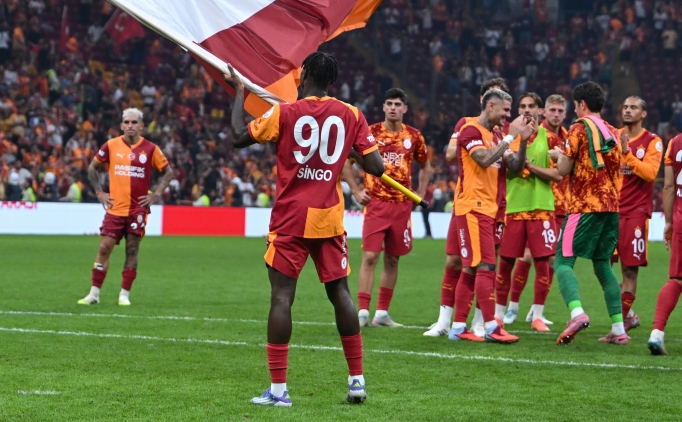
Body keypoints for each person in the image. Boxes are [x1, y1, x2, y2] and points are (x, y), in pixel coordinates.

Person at [224, 52, 384, 407]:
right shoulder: (352, 114)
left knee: (282, 297)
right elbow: (377, 167)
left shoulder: (284, 113)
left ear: (306, 74)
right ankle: (357, 381)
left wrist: (239, 93)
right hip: (328, 218)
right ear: (332, 81)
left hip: (291, 218)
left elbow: (237, 136)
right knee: (340, 294)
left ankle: (279, 391)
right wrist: (349, 149)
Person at [424, 78, 510, 337]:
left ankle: (476, 323)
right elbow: (451, 153)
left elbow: (514, 165)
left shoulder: (501, 131)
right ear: (486, 101)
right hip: (470, 201)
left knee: (486, 263)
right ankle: (446, 322)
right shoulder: (467, 124)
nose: (506, 113)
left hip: (496, 204)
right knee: (458, 261)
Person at [447, 88, 534, 343]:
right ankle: (491, 327)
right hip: (473, 208)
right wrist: (510, 136)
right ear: (490, 106)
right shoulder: (470, 131)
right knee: (486, 266)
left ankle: (458, 327)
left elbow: (515, 167)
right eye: (505, 110)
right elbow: (484, 159)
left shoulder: (496, 135)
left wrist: (523, 141)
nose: (508, 115)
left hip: (489, 210)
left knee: (472, 269)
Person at [343, 88, 431, 328]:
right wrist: (355, 190)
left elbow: (425, 166)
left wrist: (420, 194)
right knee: (370, 256)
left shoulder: (414, 136)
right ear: (383, 107)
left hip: (402, 206)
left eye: (397, 104)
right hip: (376, 204)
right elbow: (347, 161)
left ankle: (381, 313)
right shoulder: (369, 133)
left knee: (393, 259)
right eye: (389, 103)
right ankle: (363, 312)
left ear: (405, 109)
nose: (393, 108)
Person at [549, 81, 627, 346]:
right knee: (602, 264)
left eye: (574, 105)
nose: (574, 110)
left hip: (584, 206)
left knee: (562, 261)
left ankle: (577, 313)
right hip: (611, 207)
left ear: (582, 104)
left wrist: (557, 155)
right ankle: (619, 329)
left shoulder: (578, 128)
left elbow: (563, 169)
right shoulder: (614, 131)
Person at [77, 108, 173, 306]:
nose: (130, 126)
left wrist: (156, 194)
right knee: (104, 247)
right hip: (115, 208)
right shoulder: (111, 145)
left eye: (134, 122)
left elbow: (168, 172)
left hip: (137, 210)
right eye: (127, 122)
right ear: (121, 125)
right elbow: (92, 168)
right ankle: (94, 294)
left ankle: (124, 295)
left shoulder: (151, 149)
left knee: (132, 250)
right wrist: (99, 193)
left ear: (141, 126)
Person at [495, 93, 564, 332]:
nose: (527, 110)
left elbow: (558, 175)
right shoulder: (508, 137)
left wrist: (531, 167)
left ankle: (537, 316)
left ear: (540, 111)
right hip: (514, 208)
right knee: (505, 262)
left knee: (544, 263)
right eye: (522, 106)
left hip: (542, 208)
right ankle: (499, 315)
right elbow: (509, 170)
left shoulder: (550, 138)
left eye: (531, 106)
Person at [610, 97, 663, 336]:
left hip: (635, 213)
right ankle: (628, 314)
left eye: (633, 107)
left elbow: (650, 173)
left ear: (643, 113)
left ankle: (620, 326)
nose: (628, 110)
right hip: (609, 211)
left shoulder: (652, 141)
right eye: (625, 107)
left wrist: (627, 154)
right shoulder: (612, 136)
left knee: (630, 271)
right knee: (601, 266)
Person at [648, 132, 682, 355]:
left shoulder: (675, 143)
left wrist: (669, 222)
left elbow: (668, 187)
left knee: (677, 279)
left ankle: (657, 333)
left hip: (681, 219)